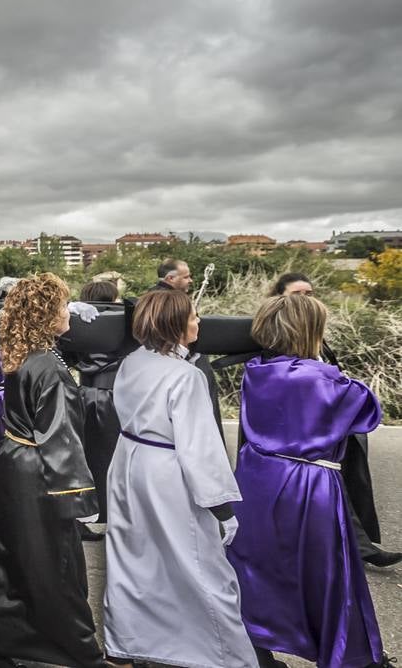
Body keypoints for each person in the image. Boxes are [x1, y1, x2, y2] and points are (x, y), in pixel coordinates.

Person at [228, 294, 394, 668]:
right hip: (307, 483)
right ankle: (348, 656)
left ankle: (255, 649)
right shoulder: (322, 377)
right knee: (329, 571)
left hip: (256, 478)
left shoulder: (255, 369)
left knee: (256, 568)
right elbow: (368, 411)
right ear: (310, 331)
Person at [103, 289, 256, 668]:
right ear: (174, 324)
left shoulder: (131, 362)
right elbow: (199, 449)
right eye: (193, 316)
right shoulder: (186, 377)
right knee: (202, 563)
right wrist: (221, 509)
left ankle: (123, 645)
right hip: (168, 471)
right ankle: (227, 656)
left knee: (131, 558)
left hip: (128, 463)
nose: (199, 322)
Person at [0, 273, 107, 668]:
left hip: (14, 462)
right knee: (56, 564)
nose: (69, 311)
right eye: (64, 305)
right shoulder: (48, 366)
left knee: (8, 557)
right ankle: (82, 652)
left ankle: (7, 644)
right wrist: (79, 498)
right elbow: (60, 438)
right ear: (48, 314)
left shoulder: (22, 353)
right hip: (40, 474)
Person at [271, 274, 397, 568]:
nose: (306, 298)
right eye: (298, 293)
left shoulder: (313, 332)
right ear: (280, 297)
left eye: (310, 292)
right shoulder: (278, 340)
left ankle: (355, 545)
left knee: (347, 483)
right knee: (327, 485)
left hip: (330, 425)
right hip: (305, 435)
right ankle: (358, 548)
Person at [74, 279, 122, 541]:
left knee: (85, 460)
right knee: (113, 461)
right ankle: (115, 515)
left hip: (83, 395)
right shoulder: (119, 325)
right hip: (114, 397)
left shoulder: (79, 323)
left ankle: (84, 514)